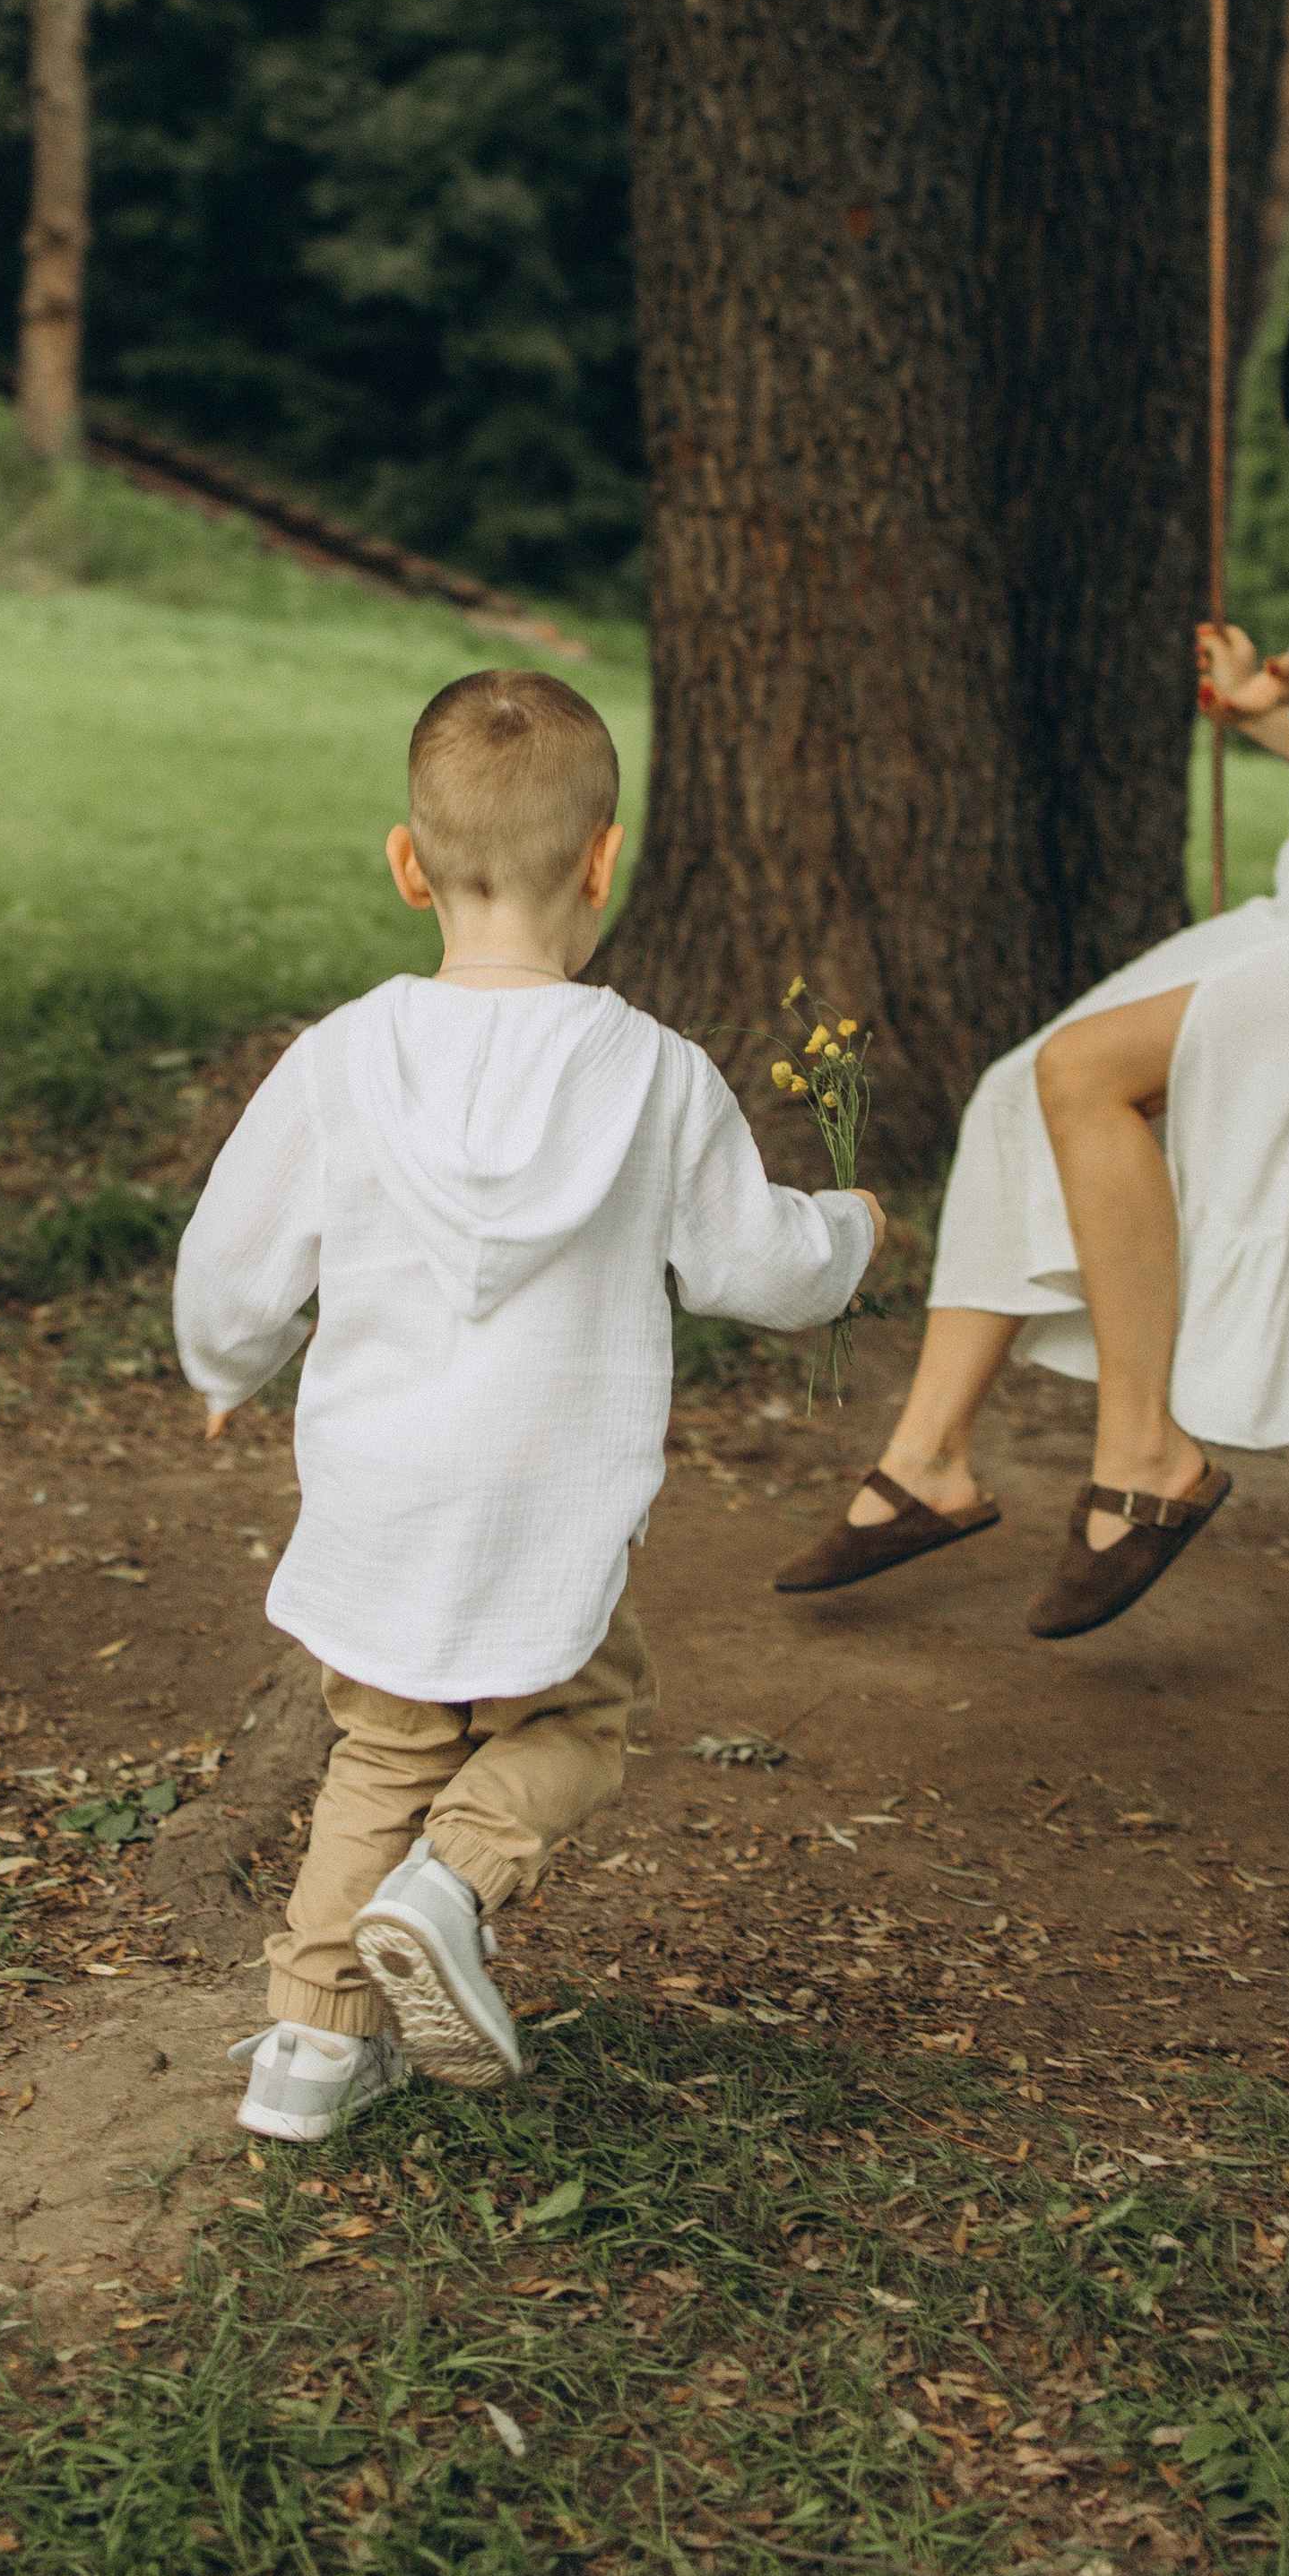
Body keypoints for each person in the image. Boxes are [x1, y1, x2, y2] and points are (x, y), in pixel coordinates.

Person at [774, 245, 1289, 1641]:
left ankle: (1149, 1457)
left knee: (1089, 1075)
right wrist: (1262, 704)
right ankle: (925, 1466)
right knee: (1021, 1080)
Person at [174, 668, 884, 2141]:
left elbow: (237, 1256)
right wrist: (851, 1233)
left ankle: (306, 2050)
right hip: (548, 1500)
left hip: (386, 1493)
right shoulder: (657, 1077)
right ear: (607, 859)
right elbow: (759, 1265)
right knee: (587, 1709)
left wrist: (225, 1365)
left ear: (406, 862)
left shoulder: (342, 1061)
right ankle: (456, 1880)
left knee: (385, 1744)